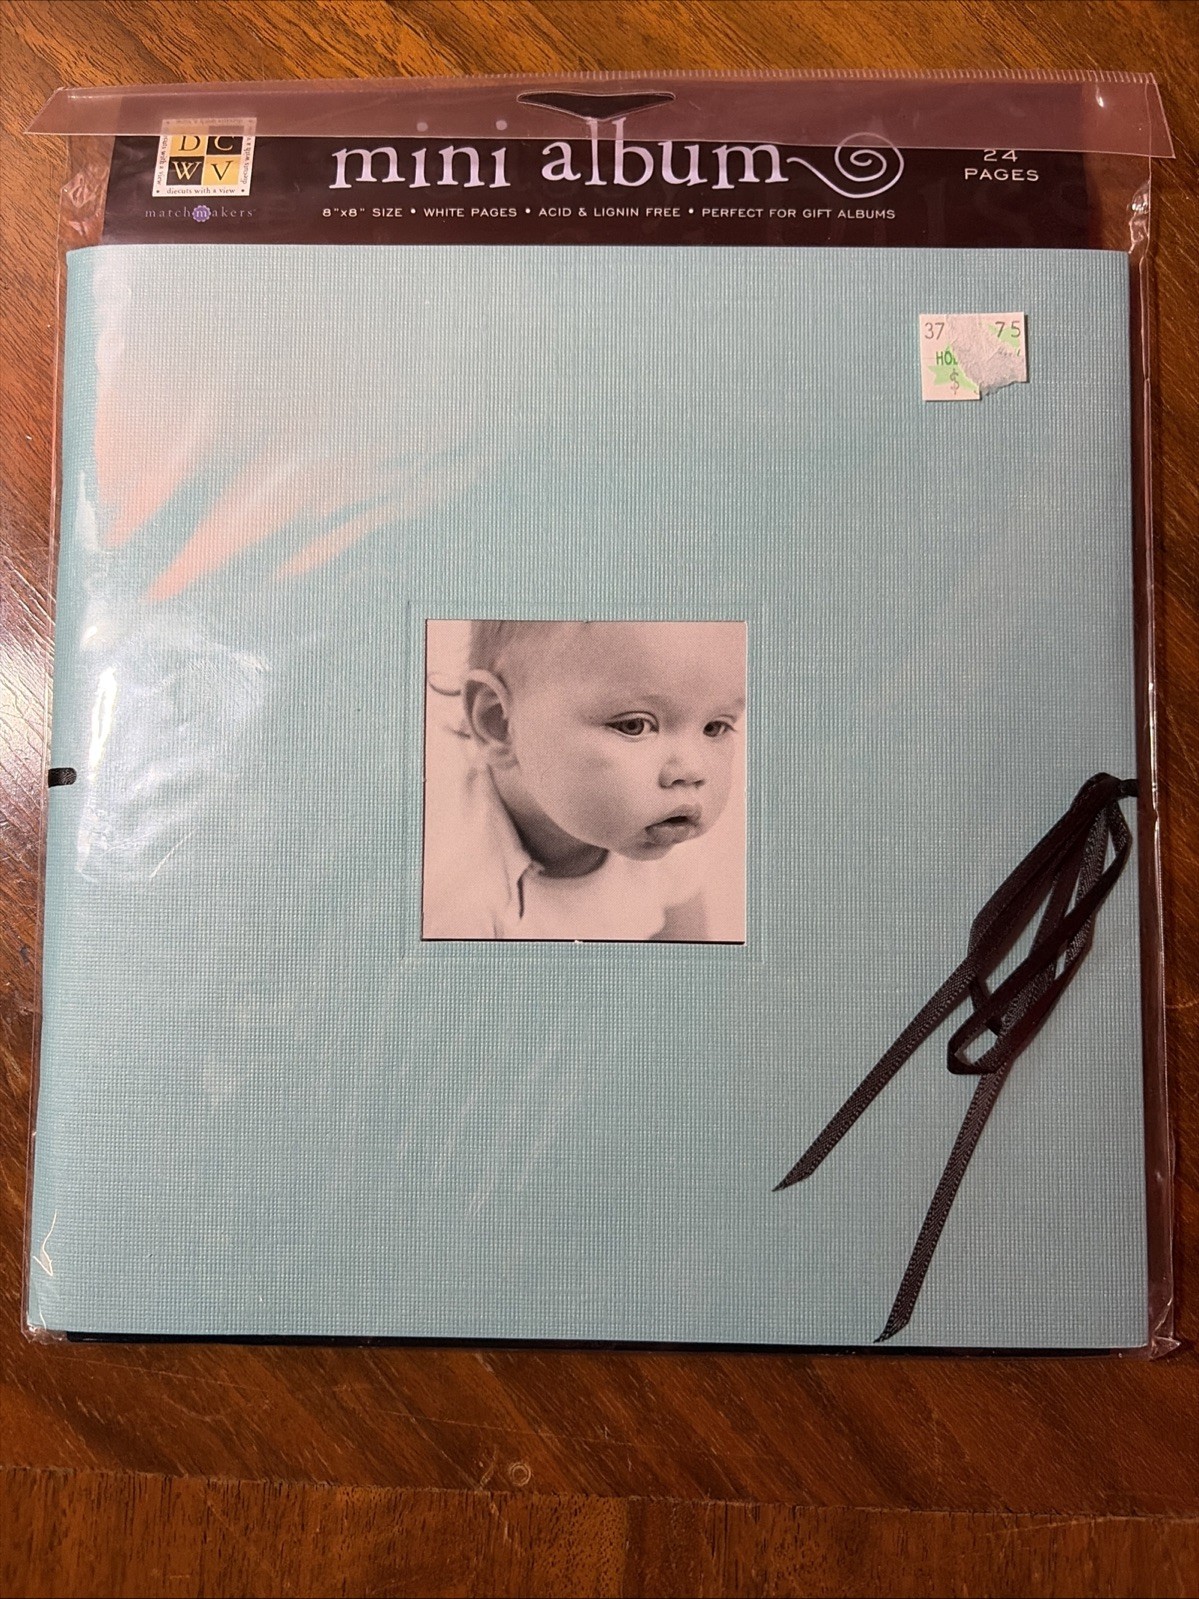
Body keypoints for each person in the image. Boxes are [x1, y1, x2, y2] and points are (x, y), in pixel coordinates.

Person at [422, 619, 746, 941]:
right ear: (500, 723)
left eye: (715, 727)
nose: (692, 770)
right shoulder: (450, 899)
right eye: (634, 725)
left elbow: (686, 959)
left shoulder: (664, 828)